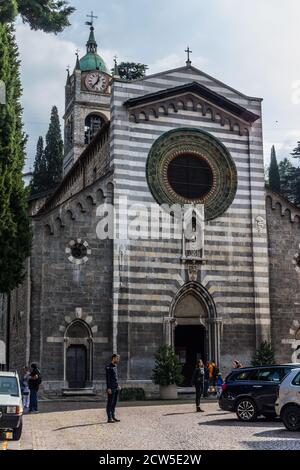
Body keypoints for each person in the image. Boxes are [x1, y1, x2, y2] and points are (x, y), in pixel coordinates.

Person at [105, 354, 121, 423]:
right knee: (110, 403)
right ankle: (109, 418)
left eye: (118, 359)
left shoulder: (115, 367)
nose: (118, 360)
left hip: (116, 388)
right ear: (113, 358)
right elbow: (108, 379)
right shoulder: (108, 367)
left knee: (114, 403)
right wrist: (108, 388)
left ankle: (113, 416)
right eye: (117, 358)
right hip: (111, 388)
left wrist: (118, 385)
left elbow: (115, 378)